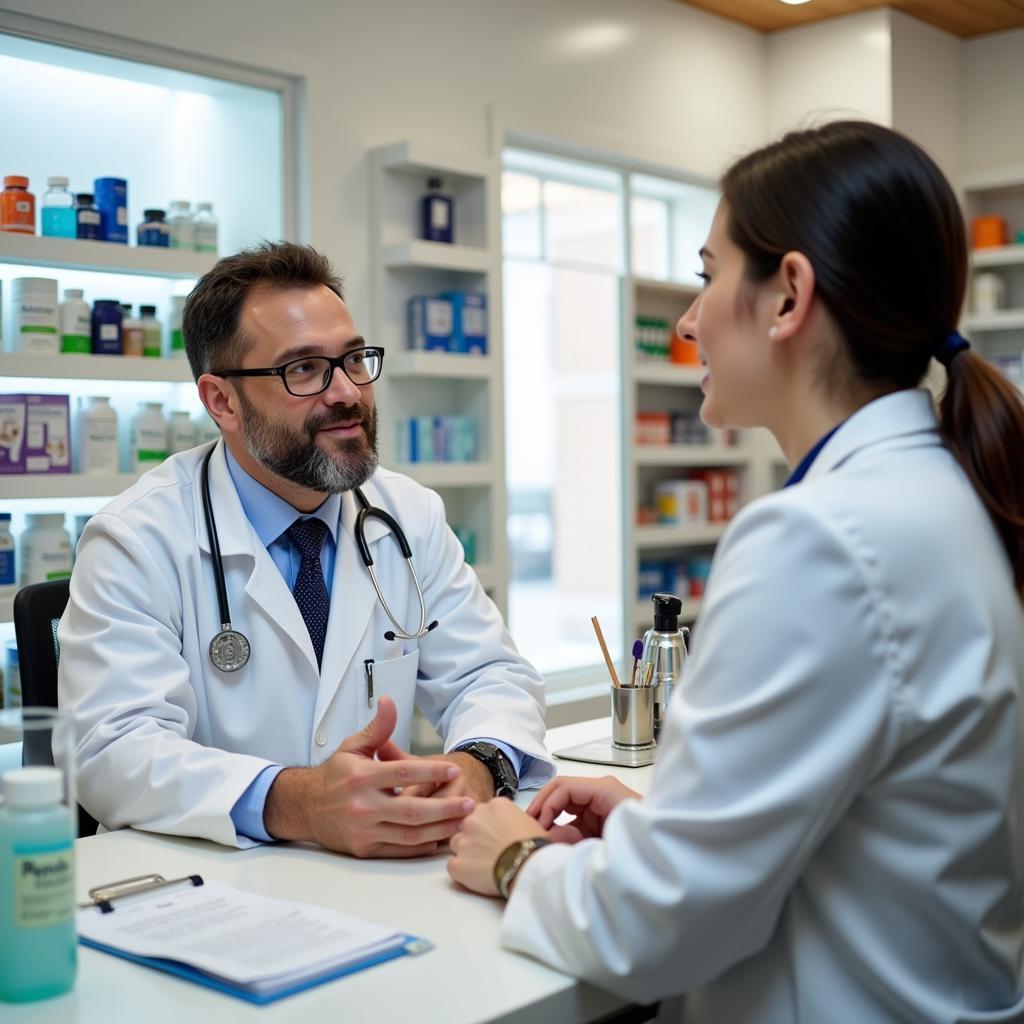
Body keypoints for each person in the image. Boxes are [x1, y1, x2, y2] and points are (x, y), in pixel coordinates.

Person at [448, 121, 1024, 1021]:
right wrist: (653, 828)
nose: (687, 320)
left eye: (709, 275)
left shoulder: (820, 538)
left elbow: (658, 928)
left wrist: (515, 857)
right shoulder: (940, 491)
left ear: (788, 294)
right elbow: (854, 820)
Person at [58, 241, 553, 856]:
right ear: (222, 401)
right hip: (205, 883)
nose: (346, 392)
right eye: (304, 369)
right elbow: (112, 748)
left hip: (370, 874)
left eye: (353, 360)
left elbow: (491, 675)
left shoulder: (408, 515)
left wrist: (474, 769)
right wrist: (298, 802)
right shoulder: (138, 538)